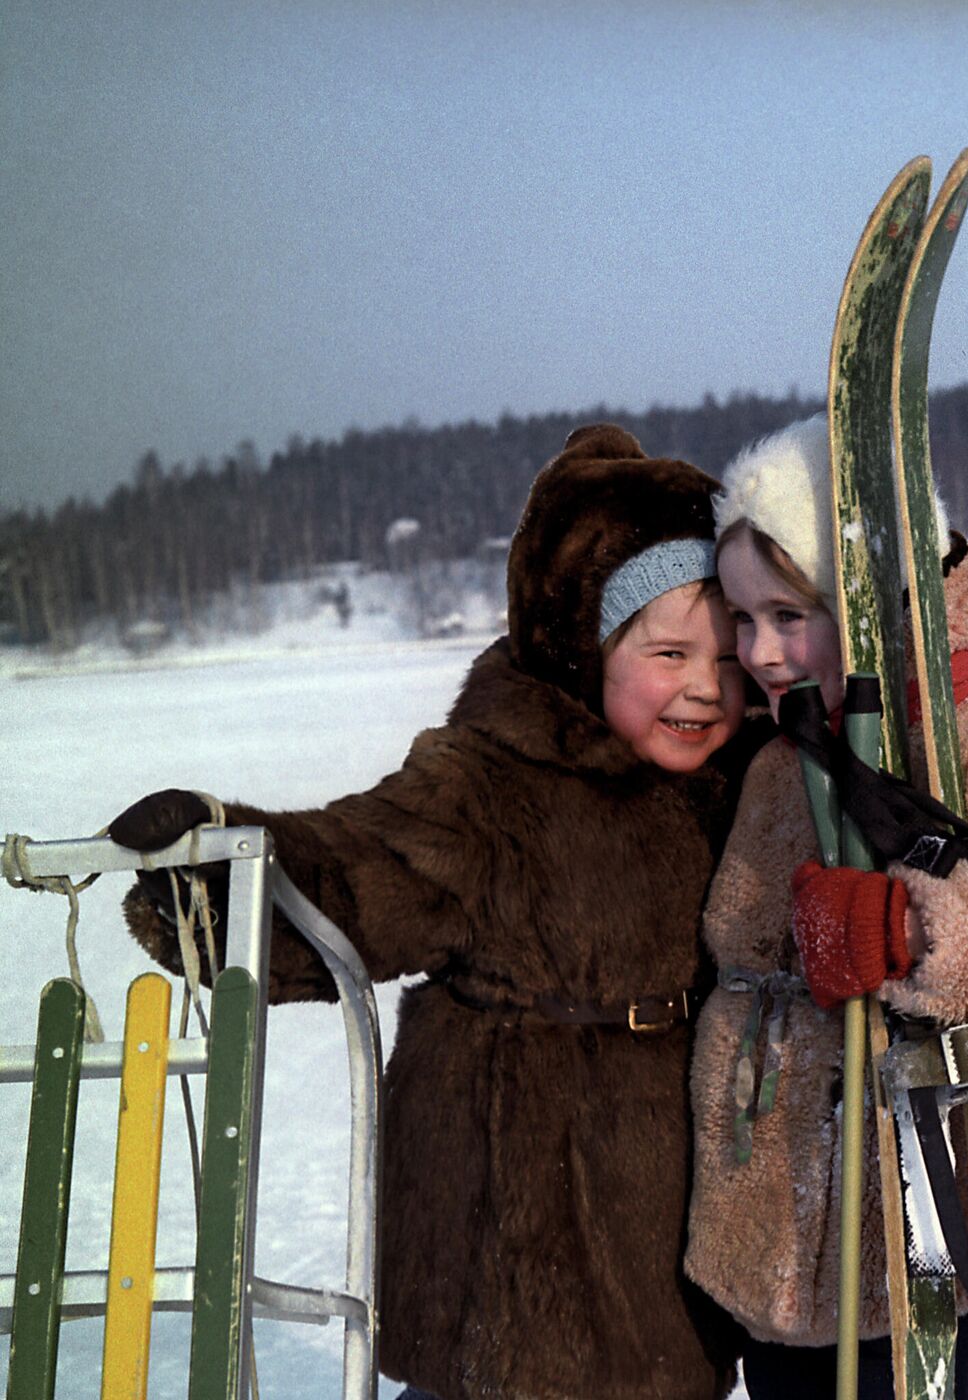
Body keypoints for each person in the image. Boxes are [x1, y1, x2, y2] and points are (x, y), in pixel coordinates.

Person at [109, 425, 755, 1400]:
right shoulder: (490, 786)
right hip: (514, 1239)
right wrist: (215, 861)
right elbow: (349, 867)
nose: (705, 686)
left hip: (671, 1245)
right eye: (669, 651)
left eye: (726, 654)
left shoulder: (744, 785)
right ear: (585, 647)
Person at [683, 415, 968, 1399]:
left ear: (867, 596)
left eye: (786, 613)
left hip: (928, 1238)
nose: (758, 648)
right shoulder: (777, 744)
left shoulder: (965, 727)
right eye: (739, 615)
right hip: (776, 1257)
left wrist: (905, 929)